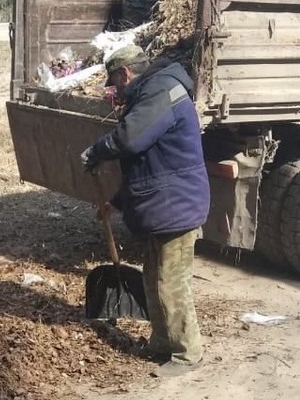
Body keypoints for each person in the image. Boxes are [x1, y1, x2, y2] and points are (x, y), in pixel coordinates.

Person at [80, 44, 210, 378]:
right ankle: (162, 343)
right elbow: (147, 165)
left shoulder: (161, 91)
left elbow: (129, 140)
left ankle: (187, 353)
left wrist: (96, 151)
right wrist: (117, 202)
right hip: (165, 202)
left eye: (116, 84)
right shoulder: (153, 92)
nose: (116, 92)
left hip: (176, 205)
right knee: (154, 278)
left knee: (171, 281)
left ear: (126, 74)